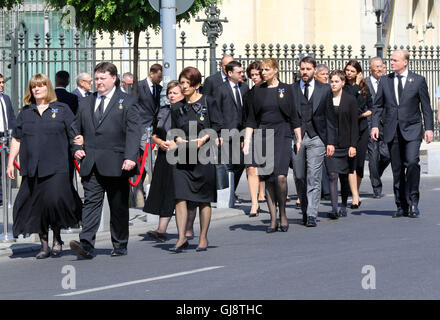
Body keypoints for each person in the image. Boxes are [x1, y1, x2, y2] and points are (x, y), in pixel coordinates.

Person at [6, 73, 82, 259]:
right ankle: (44, 244)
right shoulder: (25, 112)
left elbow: (74, 133)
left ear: (48, 87)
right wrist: (10, 163)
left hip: (57, 166)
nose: (37, 89)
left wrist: (78, 149)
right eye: (34, 87)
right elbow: (17, 138)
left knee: (54, 203)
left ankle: (57, 239)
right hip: (33, 167)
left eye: (40, 86)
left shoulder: (61, 109)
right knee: (37, 206)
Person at [69, 62, 139, 258]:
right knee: (91, 203)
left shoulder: (127, 101)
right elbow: (75, 130)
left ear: (114, 79)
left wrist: (131, 157)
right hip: (91, 163)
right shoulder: (85, 102)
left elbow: (134, 132)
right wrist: (77, 148)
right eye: (96, 79)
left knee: (118, 205)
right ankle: (86, 244)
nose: (98, 82)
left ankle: (119, 243)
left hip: (117, 163)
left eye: (102, 79)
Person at [371, 50, 434, 218]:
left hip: (412, 129)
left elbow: (426, 107)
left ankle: (413, 202)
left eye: (395, 60)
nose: (391, 63)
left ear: (405, 62)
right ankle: (401, 205)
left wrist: (429, 128)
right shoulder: (385, 81)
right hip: (392, 131)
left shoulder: (418, 80)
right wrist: (375, 126)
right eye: (390, 60)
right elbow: (377, 106)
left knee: (412, 162)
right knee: (397, 169)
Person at [244, 58, 302, 233]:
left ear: (276, 70)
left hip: (283, 133)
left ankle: (283, 213)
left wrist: (298, 138)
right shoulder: (257, 91)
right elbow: (251, 119)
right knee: (268, 178)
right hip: (263, 135)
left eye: (267, 69)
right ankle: (273, 218)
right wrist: (247, 141)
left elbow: (294, 116)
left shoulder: (288, 89)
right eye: (262, 69)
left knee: (281, 176)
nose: (263, 72)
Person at [168, 66, 222, 252]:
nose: (183, 87)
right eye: (181, 82)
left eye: (187, 83)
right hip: (182, 156)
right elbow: (173, 132)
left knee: (203, 199)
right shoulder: (176, 107)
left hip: (203, 155)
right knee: (180, 197)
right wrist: (178, 139)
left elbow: (216, 126)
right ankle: (182, 237)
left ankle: (203, 237)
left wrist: (202, 139)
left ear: (196, 85)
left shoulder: (209, 102)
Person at [292, 56, 337, 227]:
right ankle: (304, 208)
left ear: (314, 70)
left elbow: (330, 117)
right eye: (302, 69)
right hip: (297, 138)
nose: (304, 72)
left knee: (314, 176)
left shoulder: (324, 89)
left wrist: (330, 141)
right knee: (300, 176)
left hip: (317, 137)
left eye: (308, 69)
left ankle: (312, 213)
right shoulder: (292, 89)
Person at [143, 81, 187, 242]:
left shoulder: (186, 109)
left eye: (175, 93)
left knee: (182, 194)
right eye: (170, 93)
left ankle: (187, 230)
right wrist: (159, 142)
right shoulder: (163, 110)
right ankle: (161, 229)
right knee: (165, 192)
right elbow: (154, 132)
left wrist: (177, 143)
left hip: (182, 156)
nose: (171, 96)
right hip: (164, 156)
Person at [215, 60, 249, 206]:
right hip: (225, 133)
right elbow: (216, 112)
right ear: (230, 73)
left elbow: (246, 110)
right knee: (227, 165)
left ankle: (231, 190)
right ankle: (226, 195)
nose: (242, 74)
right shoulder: (220, 89)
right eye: (239, 72)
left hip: (240, 133)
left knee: (241, 162)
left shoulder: (244, 88)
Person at [326, 70, 358, 218]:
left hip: (346, 144)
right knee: (332, 174)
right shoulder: (326, 99)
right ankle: (334, 208)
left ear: (343, 83)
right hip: (331, 144)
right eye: (331, 81)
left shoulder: (350, 100)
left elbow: (354, 124)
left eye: (336, 81)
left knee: (344, 177)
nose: (333, 84)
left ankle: (343, 205)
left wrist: (353, 145)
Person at [344, 60, 372, 209]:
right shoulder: (345, 87)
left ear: (358, 73)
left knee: (360, 163)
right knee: (351, 162)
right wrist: (356, 87)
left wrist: (361, 116)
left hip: (361, 128)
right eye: (347, 70)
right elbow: (350, 102)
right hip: (348, 130)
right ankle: (355, 195)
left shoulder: (364, 88)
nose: (349, 73)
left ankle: (356, 190)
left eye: (352, 71)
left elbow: (370, 108)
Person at [137, 64, 163, 205]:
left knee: (146, 164)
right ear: (151, 73)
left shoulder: (159, 89)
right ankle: (157, 195)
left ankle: (140, 197)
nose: (160, 79)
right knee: (149, 162)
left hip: (154, 130)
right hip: (142, 130)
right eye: (159, 76)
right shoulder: (139, 87)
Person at [366, 57, 390, 198]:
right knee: (373, 157)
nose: (380, 69)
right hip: (370, 125)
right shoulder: (365, 83)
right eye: (376, 67)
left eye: (381, 66)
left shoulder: (388, 81)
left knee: (387, 155)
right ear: (371, 69)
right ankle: (376, 187)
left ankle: (376, 174)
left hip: (386, 125)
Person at [243, 61, 266, 215]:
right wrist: (244, 138)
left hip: (270, 133)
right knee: (251, 168)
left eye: (257, 74)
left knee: (269, 170)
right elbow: (245, 117)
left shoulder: (271, 91)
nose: (255, 77)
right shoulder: (249, 94)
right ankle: (254, 203)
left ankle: (272, 201)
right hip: (253, 133)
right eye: (252, 75)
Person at [0, 73, 17, 206]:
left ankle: (3, 197)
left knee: (5, 167)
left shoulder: (6, 98)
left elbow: (11, 117)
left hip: (5, 136)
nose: (2, 85)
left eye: (2, 82)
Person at [314, 64, 331, 201]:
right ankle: (324, 190)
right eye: (323, 74)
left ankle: (327, 189)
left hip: (326, 127)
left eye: (327, 74)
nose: (326, 76)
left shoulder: (327, 89)